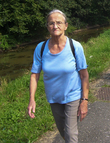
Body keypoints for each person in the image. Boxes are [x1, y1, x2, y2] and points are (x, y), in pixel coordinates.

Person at [28, 9, 89, 143]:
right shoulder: (41, 48)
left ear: (66, 26)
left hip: (72, 95)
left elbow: (84, 76)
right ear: (47, 27)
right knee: (63, 132)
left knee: (71, 134)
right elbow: (34, 75)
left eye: (59, 22)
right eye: (51, 23)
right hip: (54, 98)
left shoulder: (75, 47)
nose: (55, 26)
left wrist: (84, 100)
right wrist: (32, 99)